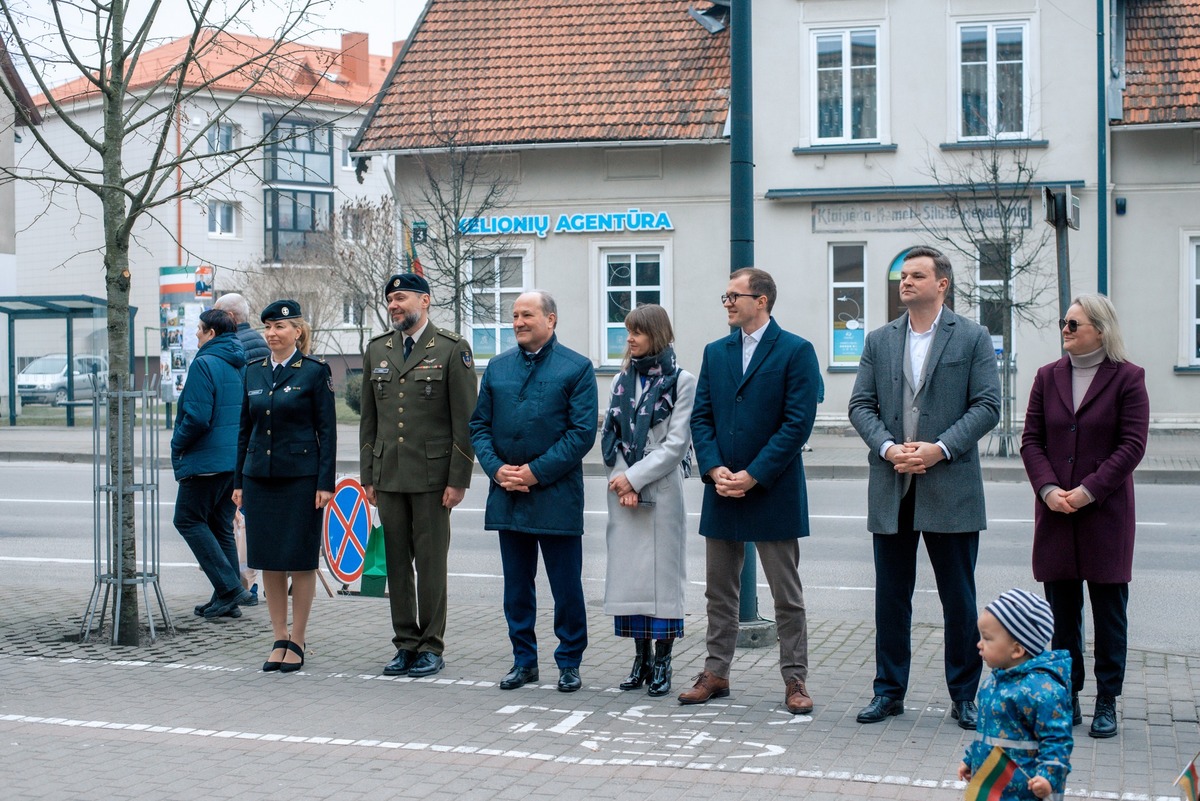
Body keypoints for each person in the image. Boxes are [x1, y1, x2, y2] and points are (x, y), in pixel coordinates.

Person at [848, 245, 1001, 729]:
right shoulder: (879, 340)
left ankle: (964, 696)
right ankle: (888, 692)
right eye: (902, 276)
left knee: (958, 599)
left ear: (943, 284)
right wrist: (889, 448)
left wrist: (940, 448)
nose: (906, 282)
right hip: (892, 485)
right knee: (891, 597)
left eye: (917, 275)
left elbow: (987, 406)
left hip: (950, 483)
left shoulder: (972, 337)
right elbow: (860, 406)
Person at [680, 268, 820, 715]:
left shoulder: (796, 350)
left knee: (786, 595)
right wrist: (715, 468)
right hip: (721, 488)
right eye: (725, 297)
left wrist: (755, 474)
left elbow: (797, 423)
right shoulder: (715, 352)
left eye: (733, 296)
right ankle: (716, 672)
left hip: (772, 488)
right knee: (719, 592)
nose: (727, 303)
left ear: (761, 300)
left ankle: (794, 679)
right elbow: (701, 417)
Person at [1020, 294, 1148, 739]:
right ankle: (1067, 695)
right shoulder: (1047, 376)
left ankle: (1107, 700)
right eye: (1064, 323)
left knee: (1110, 613)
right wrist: (1050, 490)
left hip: (1105, 513)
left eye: (1074, 324)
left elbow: (1132, 445)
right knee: (1062, 613)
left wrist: (1088, 490)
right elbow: (1031, 440)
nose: (1066, 330)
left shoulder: (1128, 379)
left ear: (1100, 328)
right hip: (1055, 513)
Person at [469, 290, 598, 693]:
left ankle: (569, 661)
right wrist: (497, 469)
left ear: (551, 320)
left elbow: (581, 434)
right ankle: (523, 661)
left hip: (556, 496)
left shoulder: (576, 368)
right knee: (516, 588)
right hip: (507, 493)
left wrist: (534, 473)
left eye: (527, 315)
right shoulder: (498, 367)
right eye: (515, 316)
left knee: (566, 587)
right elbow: (479, 427)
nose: (519, 322)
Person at [361, 273, 477, 679]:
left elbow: (465, 420)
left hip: (432, 475)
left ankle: (431, 646)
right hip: (389, 473)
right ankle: (405, 644)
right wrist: (367, 476)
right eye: (390, 299)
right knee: (395, 564)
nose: (394, 305)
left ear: (425, 301)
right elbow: (369, 421)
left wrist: (458, 478)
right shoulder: (378, 349)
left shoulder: (450, 348)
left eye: (401, 298)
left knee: (429, 565)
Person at [233, 300, 337, 673]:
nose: (273, 334)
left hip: (301, 480)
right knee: (270, 562)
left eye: (280, 327)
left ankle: (298, 637)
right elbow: (244, 431)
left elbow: (327, 431)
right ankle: (279, 635)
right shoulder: (253, 372)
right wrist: (238, 482)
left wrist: (325, 482)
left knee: (300, 561)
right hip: (259, 478)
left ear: (297, 331)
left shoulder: (313, 372)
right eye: (268, 328)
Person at [601, 304, 695, 697]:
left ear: (657, 333)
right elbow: (610, 435)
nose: (630, 339)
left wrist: (634, 479)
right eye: (628, 333)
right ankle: (639, 658)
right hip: (624, 494)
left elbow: (676, 445)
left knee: (662, 582)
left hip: (661, 492)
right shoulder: (621, 380)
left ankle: (663, 660)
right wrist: (621, 481)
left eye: (637, 332)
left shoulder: (682, 381)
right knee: (631, 582)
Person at [171, 308, 252, 620]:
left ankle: (230, 588)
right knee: (219, 525)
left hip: (206, 461)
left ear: (212, 333)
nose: (196, 334)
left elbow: (197, 417)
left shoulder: (204, 363)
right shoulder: (240, 363)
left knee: (187, 520)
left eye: (200, 329)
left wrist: (177, 444)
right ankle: (227, 598)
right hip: (233, 462)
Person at [959, 588, 1073, 800]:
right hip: (994, 786)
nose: (979, 644)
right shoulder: (994, 681)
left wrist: (1048, 777)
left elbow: (1057, 740)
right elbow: (987, 729)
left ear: (1017, 650)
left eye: (987, 638)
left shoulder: (1044, 691)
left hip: (1025, 791)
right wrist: (971, 757)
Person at [213, 291, 270, 597]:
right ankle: (238, 583)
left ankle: (241, 583)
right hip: (247, 442)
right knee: (236, 521)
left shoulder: (240, 347)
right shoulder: (256, 344)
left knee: (237, 521)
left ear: (230, 318)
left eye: (217, 315)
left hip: (243, 443)